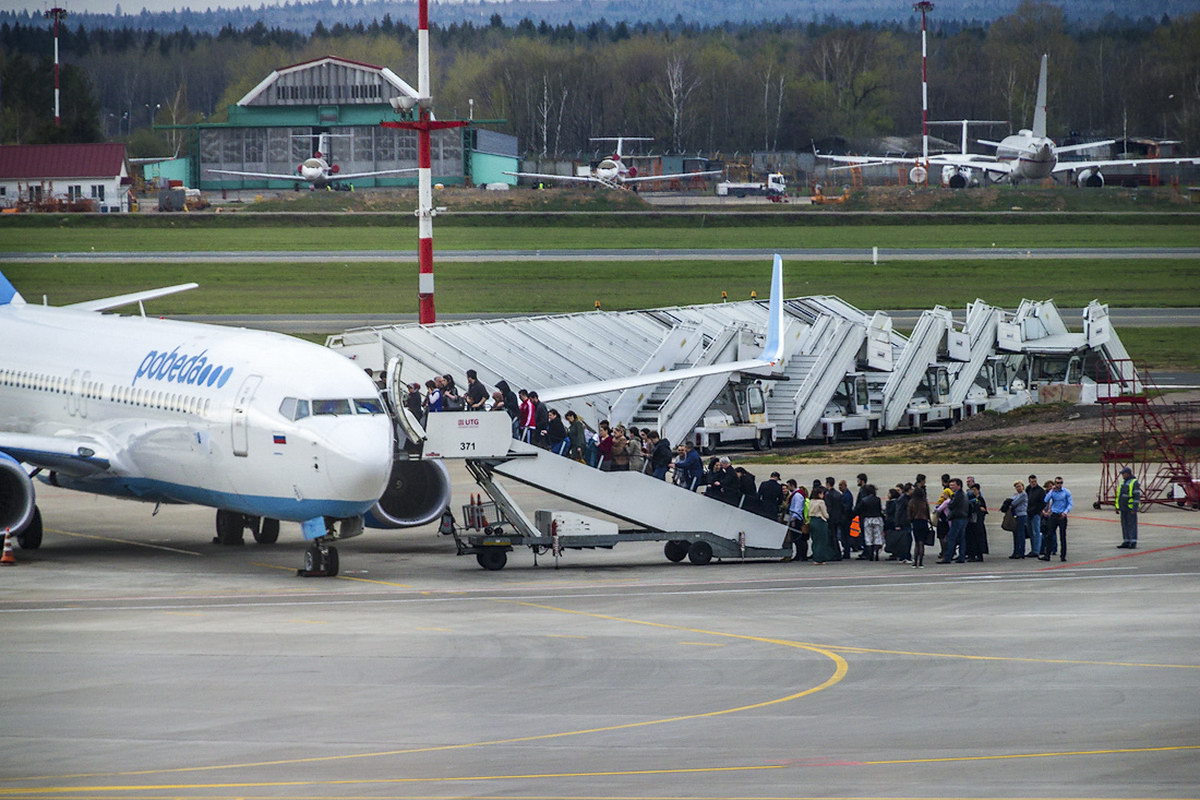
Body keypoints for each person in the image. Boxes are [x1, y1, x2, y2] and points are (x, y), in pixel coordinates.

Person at [1042, 476, 1073, 562]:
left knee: (1063, 536)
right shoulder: (1053, 492)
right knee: (1049, 535)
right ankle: (1047, 555)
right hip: (1054, 515)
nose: (1059, 485)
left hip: (1062, 515)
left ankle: (1063, 555)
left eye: (1061, 483)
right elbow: (1045, 500)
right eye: (1057, 483)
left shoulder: (1066, 492)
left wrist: (1065, 512)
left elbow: (1070, 503)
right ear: (1055, 483)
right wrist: (1051, 491)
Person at [938, 478, 968, 564]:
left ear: (959, 486)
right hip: (963, 518)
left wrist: (949, 499)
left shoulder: (957, 495)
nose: (951, 487)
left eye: (953, 485)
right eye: (950, 485)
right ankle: (961, 557)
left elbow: (951, 506)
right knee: (961, 538)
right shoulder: (963, 494)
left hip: (957, 518)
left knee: (951, 538)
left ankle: (947, 557)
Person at [853, 483, 885, 561]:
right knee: (877, 536)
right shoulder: (877, 499)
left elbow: (858, 509)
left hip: (867, 519)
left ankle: (870, 554)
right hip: (877, 518)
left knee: (868, 537)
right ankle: (876, 553)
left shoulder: (864, 500)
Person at [808, 486, 838, 564]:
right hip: (820, 522)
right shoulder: (821, 502)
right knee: (822, 540)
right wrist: (828, 516)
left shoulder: (811, 501)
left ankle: (815, 557)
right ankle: (821, 558)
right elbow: (825, 514)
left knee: (815, 540)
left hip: (812, 521)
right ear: (819, 494)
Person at [1116, 466, 1140, 548]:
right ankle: (1126, 540)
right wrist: (1117, 506)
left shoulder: (1134, 482)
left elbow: (1136, 496)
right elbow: (1119, 496)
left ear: (1128, 474)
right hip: (1123, 507)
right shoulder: (1123, 483)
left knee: (1131, 524)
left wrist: (1134, 508)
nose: (1122, 475)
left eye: (1123, 474)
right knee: (1124, 524)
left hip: (1130, 507)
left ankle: (1133, 541)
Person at [908, 486, 932, 568]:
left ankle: (915, 562)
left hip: (916, 522)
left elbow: (909, 514)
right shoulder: (924, 502)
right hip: (924, 522)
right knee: (922, 543)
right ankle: (921, 562)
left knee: (917, 542)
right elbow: (928, 513)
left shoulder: (912, 502)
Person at [965, 483, 989, 562]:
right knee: (972, 539)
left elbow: (983, 510)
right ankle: (972, 555)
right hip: (972, 522)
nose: (973, 492)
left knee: (978, 539)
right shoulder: (970, 498)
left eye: (974, 490)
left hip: (977, 522)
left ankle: (979, 555)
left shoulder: (980, 499)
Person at [1006, 481, 1030, 558]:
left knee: (1021, 534)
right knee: (1015, 534)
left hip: (1022, 515)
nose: (1018, 488)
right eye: (1017, 487)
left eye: (1020, 486)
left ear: (1023, 487)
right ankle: (1016, 551)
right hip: (1016, 516)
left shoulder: (1023, 494)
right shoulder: (1016, 495)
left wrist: (1009, 502)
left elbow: (1013, 503)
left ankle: (1021, 552)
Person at [823, 477, 844, 561]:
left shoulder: (828, 494)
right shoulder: (838, 494)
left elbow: (829, 507)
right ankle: (838, 553)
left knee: (832, 537)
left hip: (831, 518)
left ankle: (835, 553)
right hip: (838, 517)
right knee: (836, 535)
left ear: (828, 484)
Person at [787, 484, 809, 561]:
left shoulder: (797, 495)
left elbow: (797, 509)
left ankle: (801, 555)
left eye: (788, 486)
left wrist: (793, 519)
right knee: (801, 538)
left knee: (798, 538)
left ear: (792, 485)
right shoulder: (797, 495)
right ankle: (801, 555)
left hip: (797, 519)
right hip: (800, 518)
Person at [1025, 474, 1045, 559]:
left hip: (1036, 513)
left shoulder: (1040, 491)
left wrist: (1037, 511)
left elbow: (1043, 503)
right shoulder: (1028, 489)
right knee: (1030, 532)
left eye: (1035, 481)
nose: (1033, 483)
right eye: (1032, 482)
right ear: (1029, 482)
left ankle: (1036, 550)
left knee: (1036, 532)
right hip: (1028, 513)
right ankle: (1033, 549)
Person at [838, 479, 854, 559]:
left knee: (845, 535)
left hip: (846, 518)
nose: (839, 488)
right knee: (844, 535)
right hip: (845, 518)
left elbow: (847, 507)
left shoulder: (847, 495)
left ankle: (847, 551)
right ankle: (846, 550)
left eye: (841, 486)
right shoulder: (845, 494)